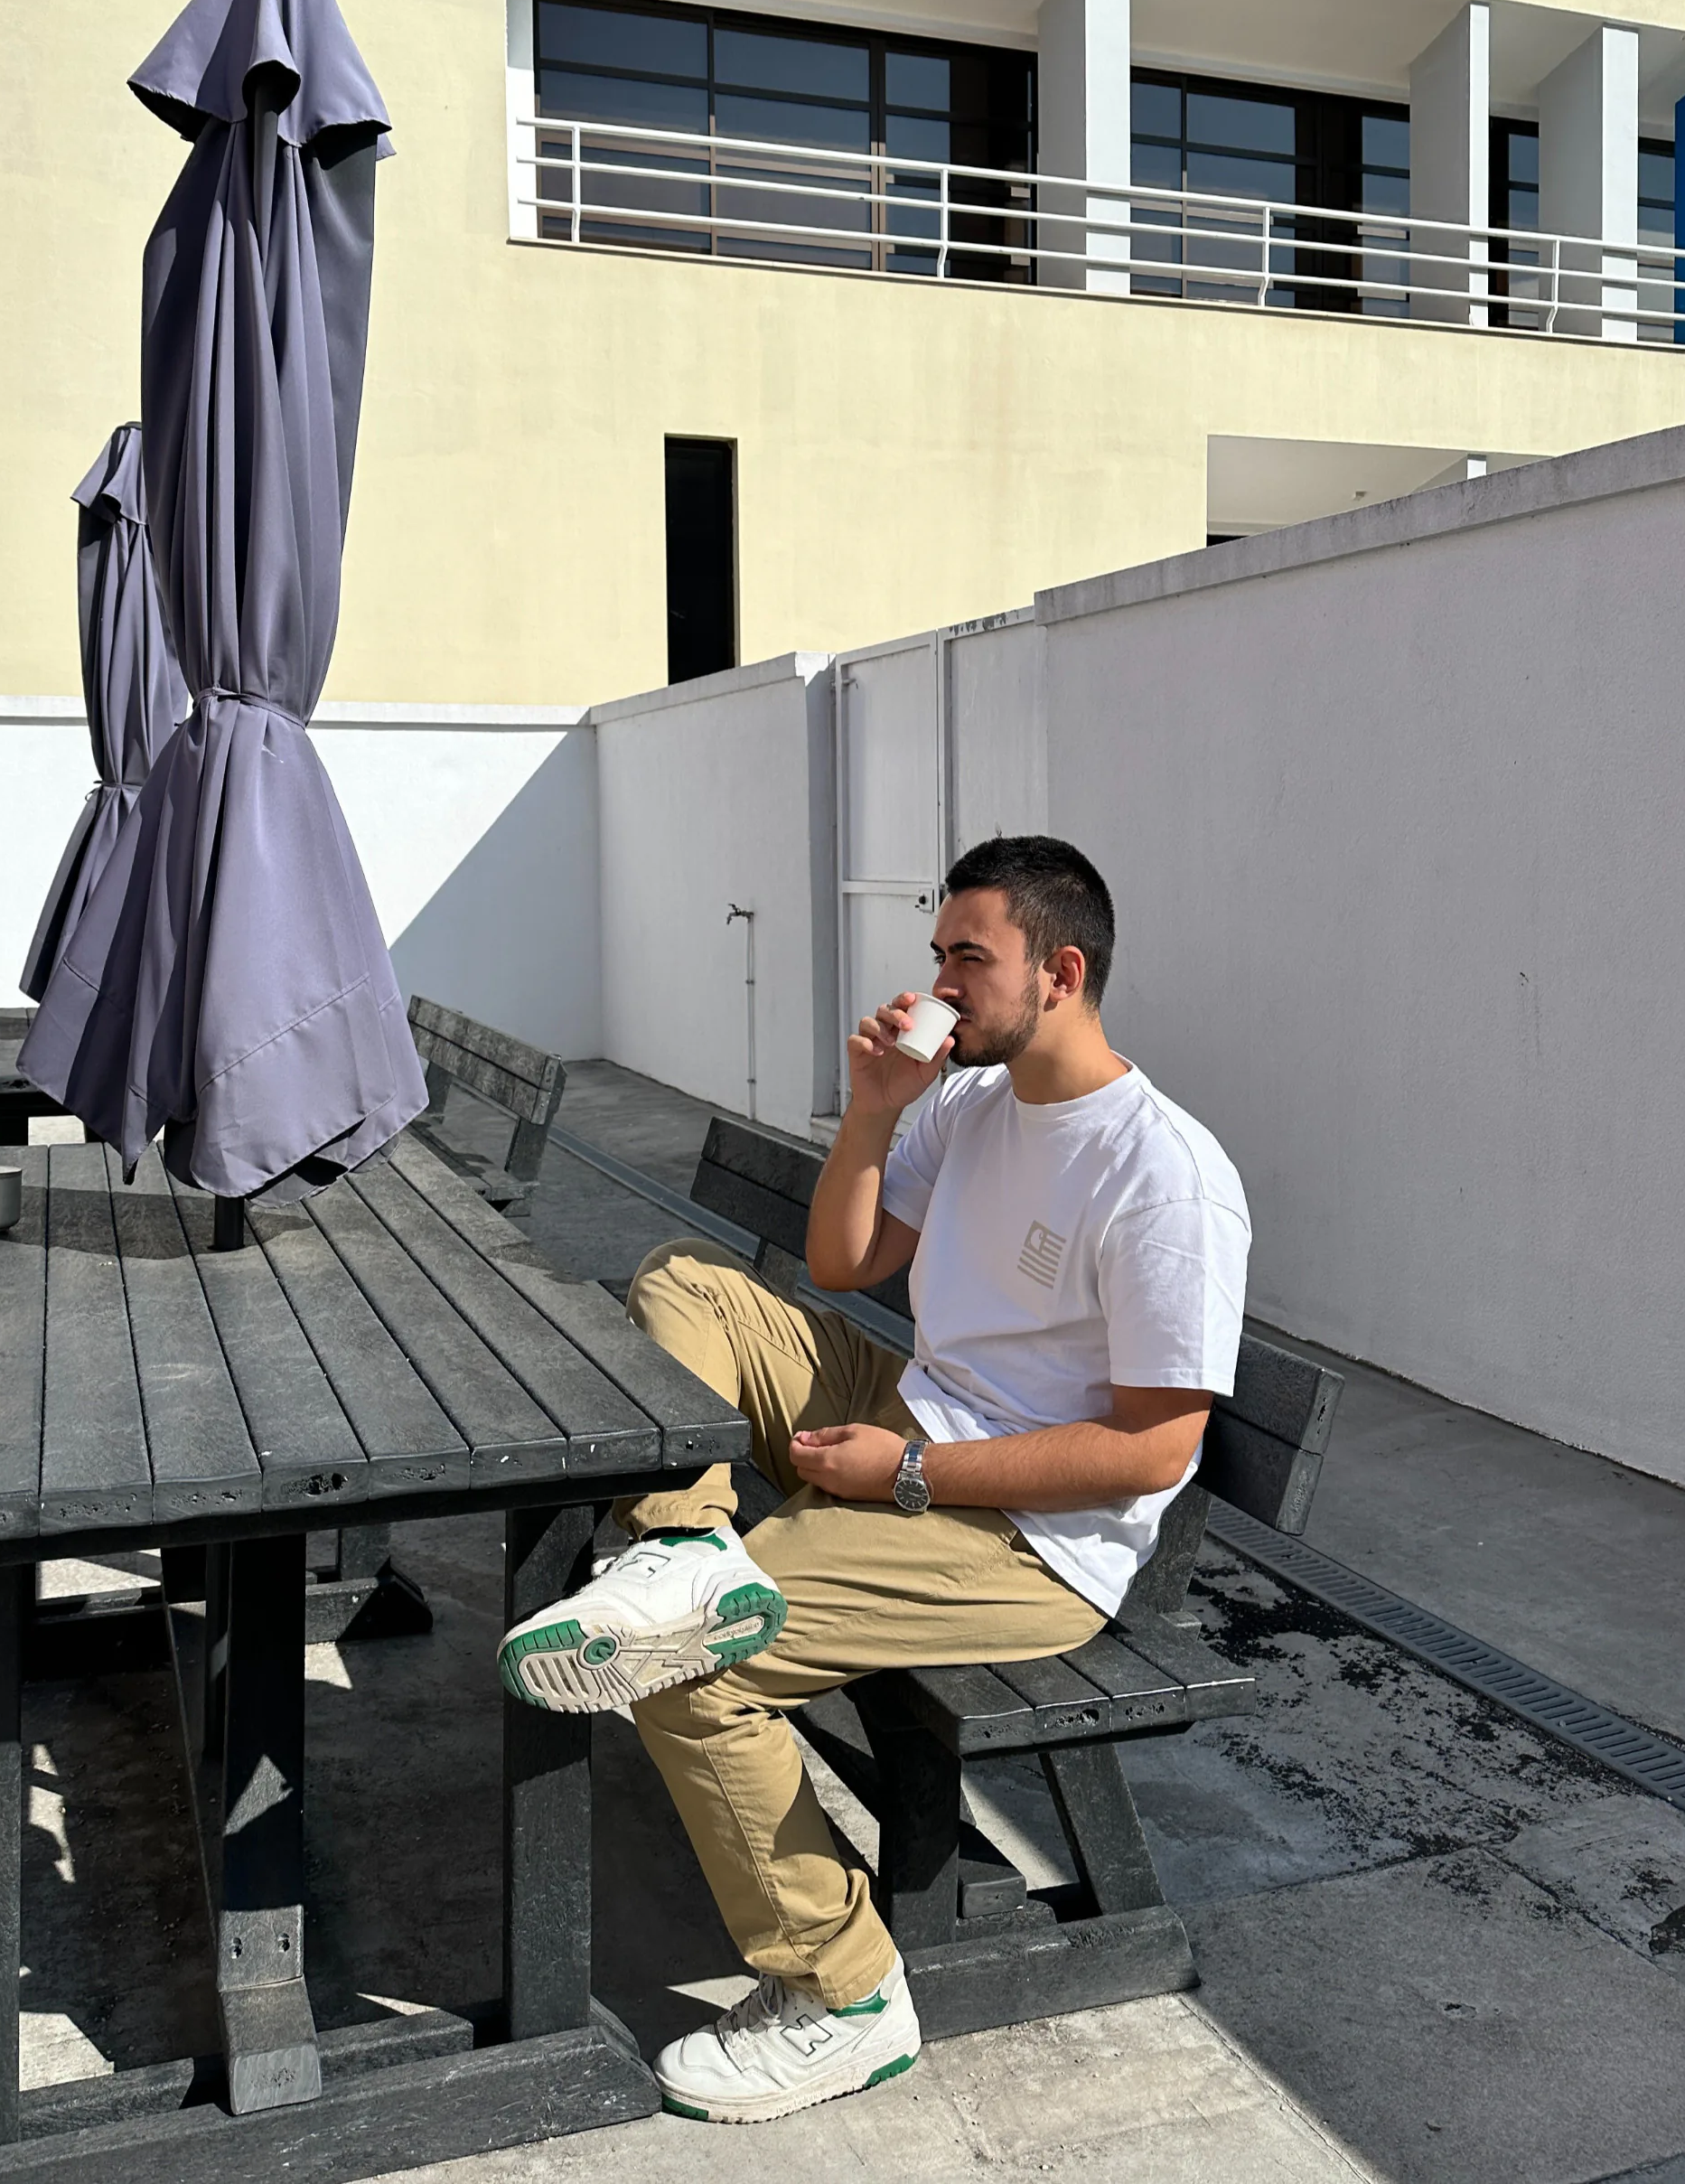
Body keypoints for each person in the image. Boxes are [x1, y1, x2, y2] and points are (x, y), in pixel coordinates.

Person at [498, 835, 1250, 2124]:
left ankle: (846, 1997)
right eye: (937, 956)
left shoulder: (1162, 1174)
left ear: (1059, 972)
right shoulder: (964, 1100)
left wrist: (911, 1472)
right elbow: (843, 1267)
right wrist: (870, 1107)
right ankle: (681, 1542)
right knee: (686, 1279)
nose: (939, 985)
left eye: (971, 959)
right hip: (915, 1412)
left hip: (1028, 1532)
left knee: (687, 1669)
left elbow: (1151, 1452)